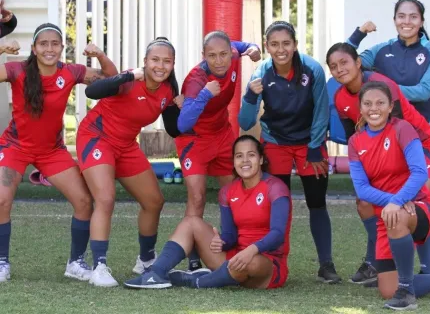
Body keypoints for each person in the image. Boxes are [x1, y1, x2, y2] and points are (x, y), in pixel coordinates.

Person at [0, 23, 117, 283]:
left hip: (51, 151)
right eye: (43, 44)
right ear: (34, 48)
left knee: (85, 202)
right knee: (1, 200)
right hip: (15, 147)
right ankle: (1, 262)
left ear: (62, 48)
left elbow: (112, 79)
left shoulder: (70, 71)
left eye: (55, 43)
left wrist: (99, 55)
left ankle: (75, 263)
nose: (49, 48)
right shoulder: (17, 69)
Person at [348, 81, 430, 311]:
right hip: (392, 211)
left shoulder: (402, 128)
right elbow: (362, 189)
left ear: (390, 106)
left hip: (421, 205)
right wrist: (396, 201)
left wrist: (399, 201)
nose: (374, 108)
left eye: (380, 103)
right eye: (368, 103)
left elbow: (419, 172)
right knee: (386, 289)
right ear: (361, 107)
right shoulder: (355, 142)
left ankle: (406, 294)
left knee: (396, 218)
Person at [326, 42, 430, 282]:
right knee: (364, 201)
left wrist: (403, 197)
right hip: (387, 149)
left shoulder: (383, 86)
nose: (340, 69)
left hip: (419, 144)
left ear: (358, 63)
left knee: (419, 195)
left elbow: (397, 132)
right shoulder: (340, 99)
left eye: (344, 62)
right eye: (334, 66)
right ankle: (377, 261)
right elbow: (355, 139)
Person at [76, 37, 184, 287]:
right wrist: (129, 76)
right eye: (155, 60)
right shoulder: (129, 80)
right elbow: (92, 91)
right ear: (145, 62)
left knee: (154, 201)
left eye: (166, 61)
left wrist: (184, 106)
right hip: (97, 137)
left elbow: (174, 129)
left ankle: (146, 260)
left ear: (173, 64)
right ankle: (99, 266)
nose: (160, 66)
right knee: (105, 198)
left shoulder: (168, 90)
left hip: (125, 145)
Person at [239, 20, 341, 284]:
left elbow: (321, 109)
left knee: (317, 203)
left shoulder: (313, 69)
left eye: (286, 43)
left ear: (295, 45)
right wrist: (250, 96)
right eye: (274, 44)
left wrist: (315, 146)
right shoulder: (260, 72)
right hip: (276, 143)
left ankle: (326, 265)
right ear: (267, 46)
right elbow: (245, 122)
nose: (280, 49)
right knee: (278, 207)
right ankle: (276, 263)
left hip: (310, 142)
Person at [346, 0, 430, 270]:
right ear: (394, 20)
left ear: (422, 21)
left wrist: (385, 88)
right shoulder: (381, 50)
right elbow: (346, 60)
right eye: (401, 16)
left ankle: (429, 266)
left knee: (421, 195)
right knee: (376, 200)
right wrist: (359, 33)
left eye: (413, 17)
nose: (407, 22)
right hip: (392, 138)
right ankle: (378, 260)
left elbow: (424, 91)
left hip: (423, 137)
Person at [124, 135, 292, 290]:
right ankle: (156, 274)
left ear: (261, 159)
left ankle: (195, 281)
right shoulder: (228, 191)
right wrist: (222, 242)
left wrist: (252, 250)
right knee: (191, 221)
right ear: (233, 161)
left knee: (251, 264)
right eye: (239, 156)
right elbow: (230, 235)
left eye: (251, 155)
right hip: (234, 259)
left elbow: (278, 234)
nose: (245, 160)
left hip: (267, 263)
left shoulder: (275, 188)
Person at [175, 30, 261, 271]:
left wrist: (253, 48)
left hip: (222, 134)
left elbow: (244, 45)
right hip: (195, 139)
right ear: (204, 56)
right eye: (212, 56)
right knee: (198, 197)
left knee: (233, 193)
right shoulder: (196, 79)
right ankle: (192, 258)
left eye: (224, 54)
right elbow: (183, 123)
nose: (219, 60)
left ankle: (233, 245)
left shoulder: (232, 52)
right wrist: (204, 95)